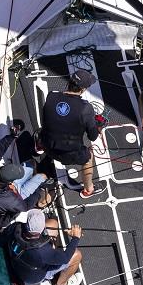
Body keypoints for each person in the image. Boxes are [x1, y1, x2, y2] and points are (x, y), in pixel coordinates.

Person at [39, 68, 105, 198]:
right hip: (67, 155)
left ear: (69, 82)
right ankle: (88, 189)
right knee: (88, 158)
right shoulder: (86, 109)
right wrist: (98, 126)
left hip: (46, 145)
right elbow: (93, 136)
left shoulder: (51, 95)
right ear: (83, 89)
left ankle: (38, 147)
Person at [0, 122, 50, 226]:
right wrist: (37, 191)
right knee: (42, 176)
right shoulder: (9, 199)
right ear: (10, 182)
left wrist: (11, 136)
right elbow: (25, 206)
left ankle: (34, 178)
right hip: (8, 202)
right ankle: (40, 188)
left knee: (31, 164)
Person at [0, 209, 83, 285]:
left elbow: (1, 238)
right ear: (42, 228)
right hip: (30, 277)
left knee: (53, 223)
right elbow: (65, 258)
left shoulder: (16, 227)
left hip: (17, 261)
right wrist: (75, 238)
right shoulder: (44, 252)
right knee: (76, 255)